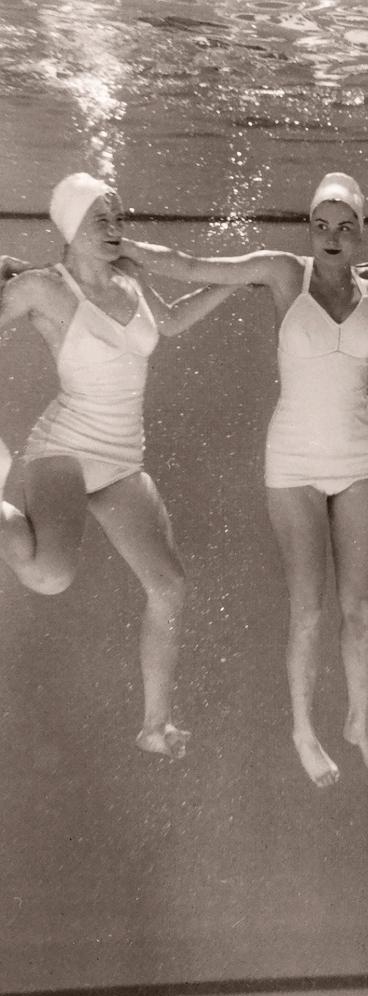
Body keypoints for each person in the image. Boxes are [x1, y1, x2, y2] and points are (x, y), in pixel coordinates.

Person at [118, 173, 368, 788]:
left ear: (360, 232)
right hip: (293, 463)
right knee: (308, 607)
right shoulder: (285, 274)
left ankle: (360, 721)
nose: (333, 238)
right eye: (321, 225)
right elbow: (193, 264)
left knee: (360, 606)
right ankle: (303, 729)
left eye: (345, 226)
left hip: (360, 456)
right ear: (308, 229)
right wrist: (126, 247)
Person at [0, 172, 242, 759]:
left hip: (121, 460)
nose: (114, 229)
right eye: (100, 219)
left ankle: (154, 725)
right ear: (69, 229)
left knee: (170, 586)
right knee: (48, 576)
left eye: (118, 218)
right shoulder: (42, 288)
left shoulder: (130, 278)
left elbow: (176, 320)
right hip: (64, 447)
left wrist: (240, 279)